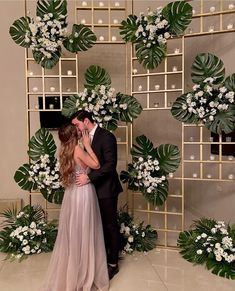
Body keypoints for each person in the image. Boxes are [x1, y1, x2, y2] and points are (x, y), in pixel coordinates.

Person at [40, 123, 109, 291]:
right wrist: (87, 146)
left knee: (74, 232)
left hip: (71, 193)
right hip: (83, 193)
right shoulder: (78, 150)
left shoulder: (64, 150)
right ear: (73, 135)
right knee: (84, 231)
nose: (80, 131)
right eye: (77, 130)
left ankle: (73, 270)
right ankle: (82, 272)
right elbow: (96, 165)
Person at [71, 110, 123, 280]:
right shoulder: (80, 139)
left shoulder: (107, 136)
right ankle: (99, 260)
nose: (75, 128)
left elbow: (110, 165)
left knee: (110, 226)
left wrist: (89, 178)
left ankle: (113, 264)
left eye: (77, 124)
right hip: (88, 192)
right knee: (96, 227)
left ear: (86, 121)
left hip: (106, 189)